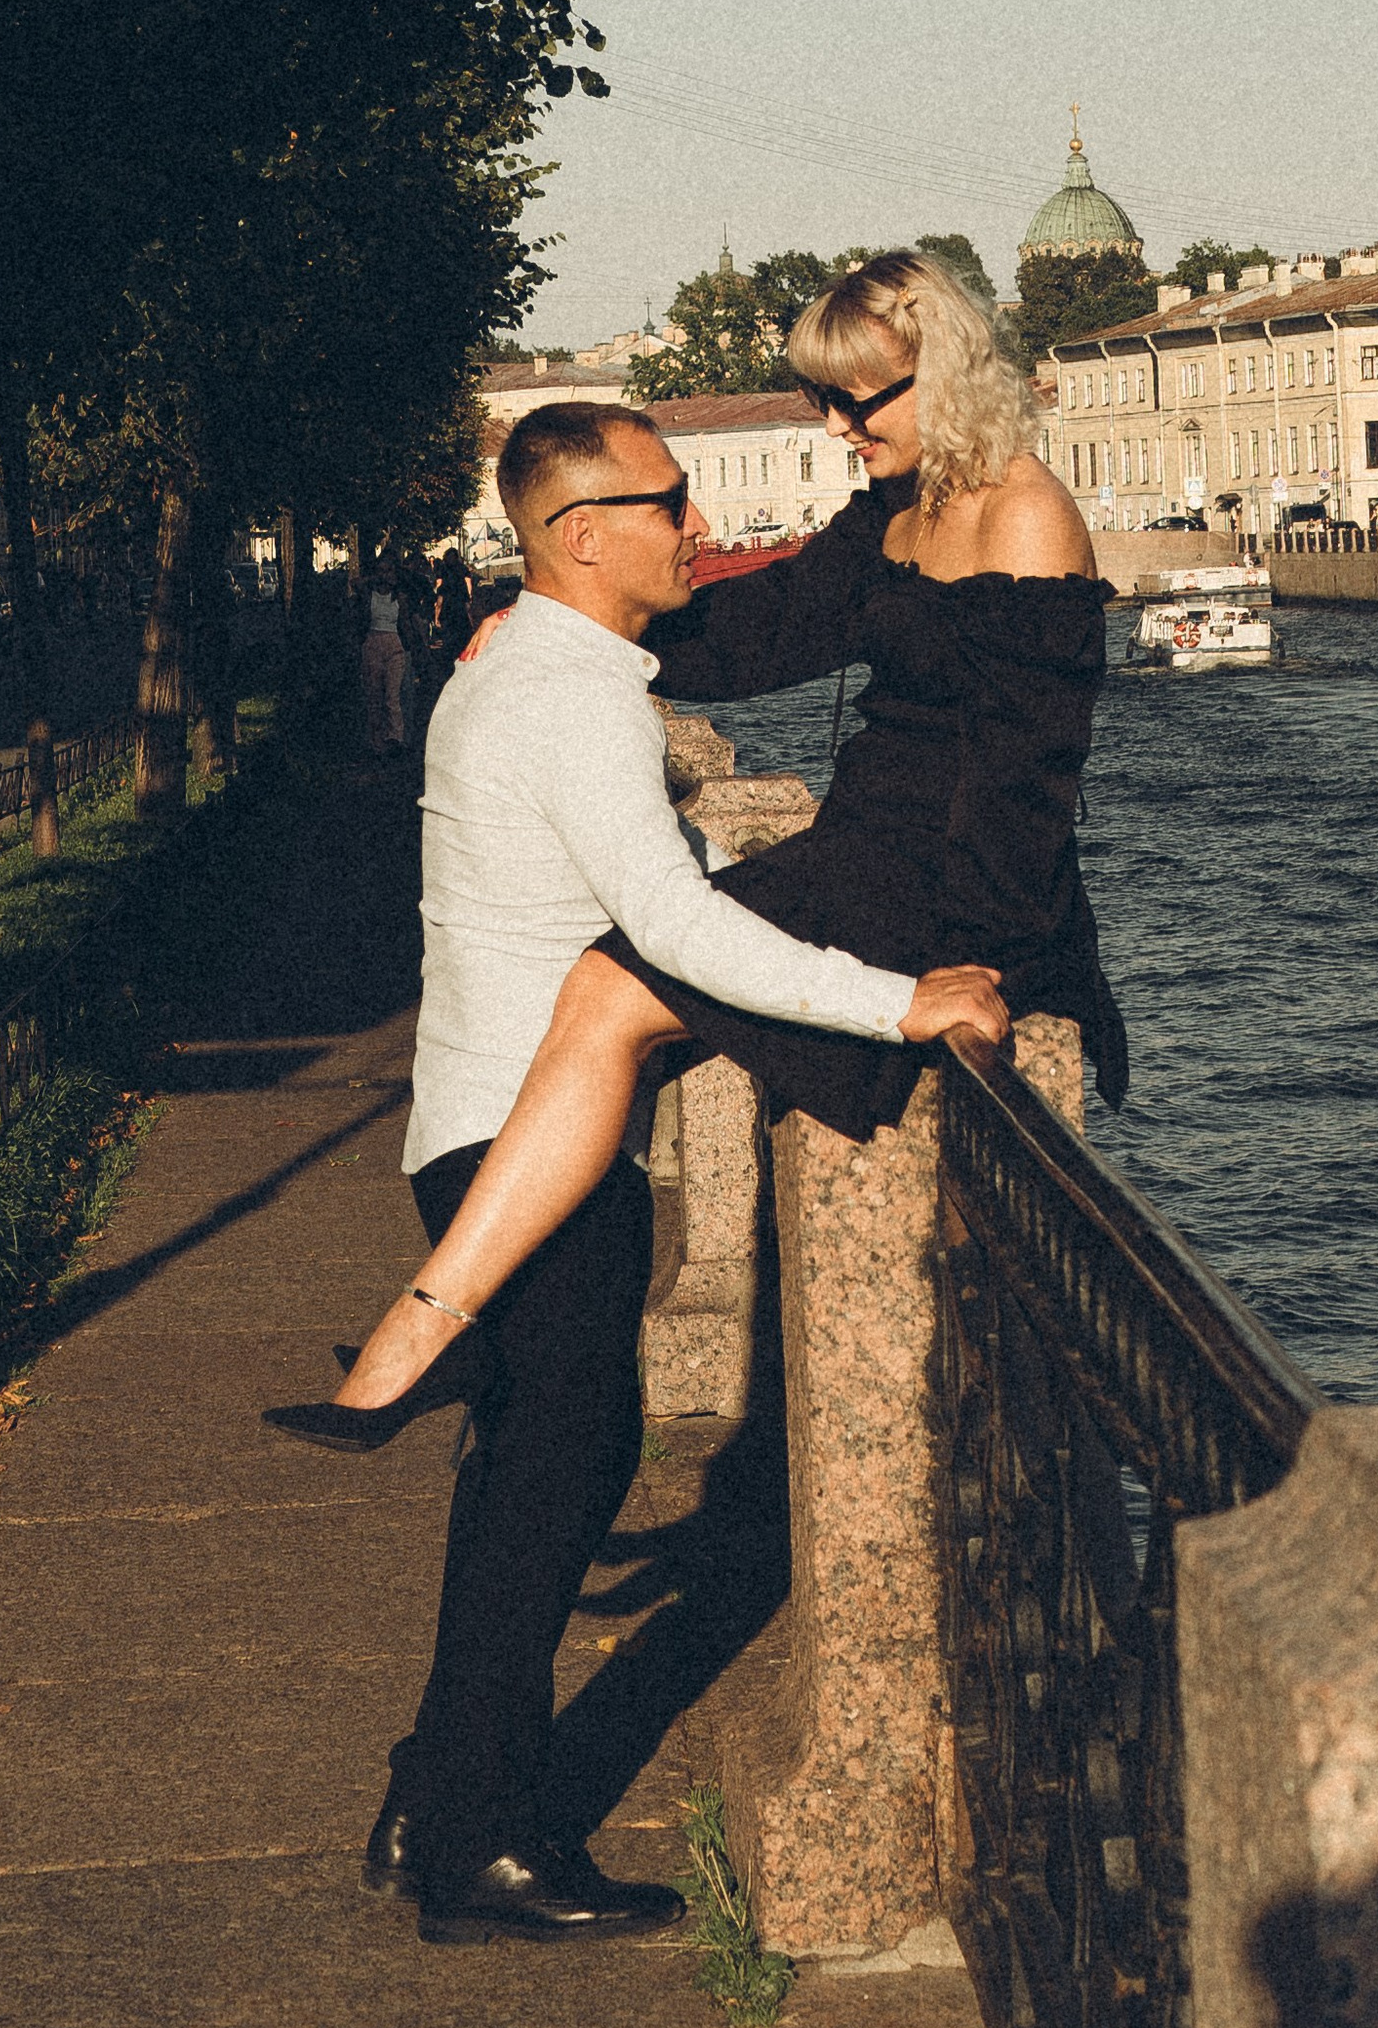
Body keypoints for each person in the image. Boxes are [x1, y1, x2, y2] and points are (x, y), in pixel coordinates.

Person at [267, 394, 1010, 1946]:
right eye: (667, 502)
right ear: (581, 535)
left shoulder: (542, 665)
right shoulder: (568, 698)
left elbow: (638, 881)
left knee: (532, 1485)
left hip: (479, 1127)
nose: (693, 524)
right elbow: (671, 933)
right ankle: (478, 1849)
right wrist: (899, 1000)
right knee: (550, 1492)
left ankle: (436, 1789)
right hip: (530, 1145)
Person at [315, 245, 1122, 1439]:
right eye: (823, 400)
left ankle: (424, 1335)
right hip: (864, 848)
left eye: (863, 397)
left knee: (613, 991)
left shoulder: (1026, 513)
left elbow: (1030, 778)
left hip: (955, 884)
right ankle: (457, 1333)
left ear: (944, 370)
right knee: (617, 988)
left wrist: (944, 973)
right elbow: (756, 633)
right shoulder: (898, 513)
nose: (840, 424)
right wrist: (549, 619)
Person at [358, 565, 412, 757]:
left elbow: (405, 623)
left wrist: (409, 646)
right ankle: (376, 740)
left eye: (389, 571)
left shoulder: (399, 598)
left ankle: (396, 737)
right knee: (374, 695)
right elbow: (356, 585)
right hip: (373, 641)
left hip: (393, 643)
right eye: (383, 571)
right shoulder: (370, 596)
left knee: (392, 695)